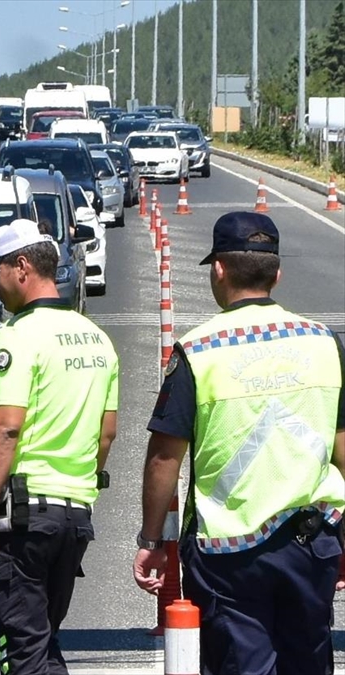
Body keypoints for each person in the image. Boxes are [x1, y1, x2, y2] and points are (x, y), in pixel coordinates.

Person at [133, 212, 345, 675]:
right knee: (308, 660)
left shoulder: (199, 349)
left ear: (218, 270)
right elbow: (343, 446)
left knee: (240, 664)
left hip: (229, 551)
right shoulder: (324, 342)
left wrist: (152, 538)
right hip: (312, 541)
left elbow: (165, 457)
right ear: (277, 274)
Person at [0, 218, 119, 674]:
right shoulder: (98, 339)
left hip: (27, 517)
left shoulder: (18, 335)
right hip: (75, 516)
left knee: (22, 651)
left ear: (22, 266)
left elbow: (6, 428)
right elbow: (106, 433)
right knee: (40, 642)